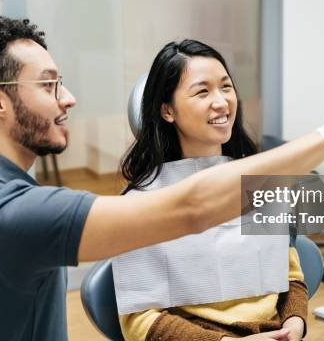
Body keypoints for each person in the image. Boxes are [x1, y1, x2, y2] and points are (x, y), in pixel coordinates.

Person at [0, 16, 324, 340]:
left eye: (226, 87)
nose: (69, 98)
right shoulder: (18, 215)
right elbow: (192, 209)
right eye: (49, 84)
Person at [118, 39, 309, 341]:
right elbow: (139, 321)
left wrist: (295, 324)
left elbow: (290, 277)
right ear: (167, 110)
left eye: (226, 86)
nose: (221, 102)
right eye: (202, 91)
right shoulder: (142, 204)